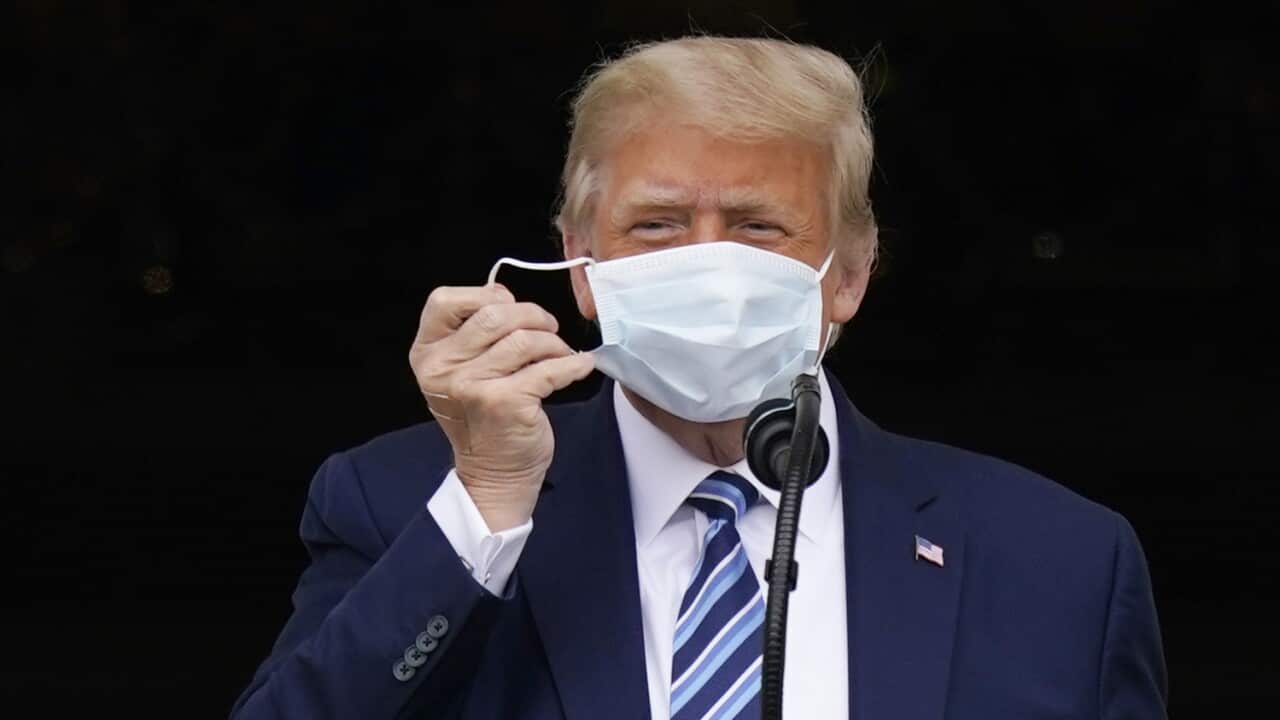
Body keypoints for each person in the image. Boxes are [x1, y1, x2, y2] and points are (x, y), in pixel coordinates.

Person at [229, 36, 1167, 720]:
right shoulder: (405, 506)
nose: (708, 263)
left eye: (758, 227)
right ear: (582, 266)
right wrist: (488, 505)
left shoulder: (1059, 561)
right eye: (657, 225)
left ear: (848, 274)